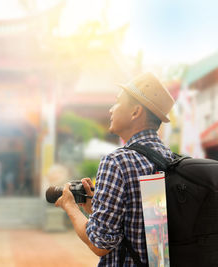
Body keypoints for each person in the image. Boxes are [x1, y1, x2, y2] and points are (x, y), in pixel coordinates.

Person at [55, 72, 175, 266]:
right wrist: (95, 209)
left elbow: (100, 244)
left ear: (135, 112)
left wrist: (70, 206)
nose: (111, 110)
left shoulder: (117, 162)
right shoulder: (170, 159)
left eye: (117, 102)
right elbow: (152, 228)